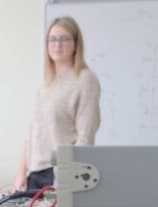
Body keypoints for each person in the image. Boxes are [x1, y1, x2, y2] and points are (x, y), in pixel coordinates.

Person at [13, 16, 101, 192]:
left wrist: (68, 177)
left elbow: (85, 137)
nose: (57, 44)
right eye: (52, 39)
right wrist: (21, 172)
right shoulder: (46, 83)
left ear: (76, 44)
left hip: (59, 175)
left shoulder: (85, 79)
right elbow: (33, 133)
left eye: (64, 38)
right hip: (35, 174)